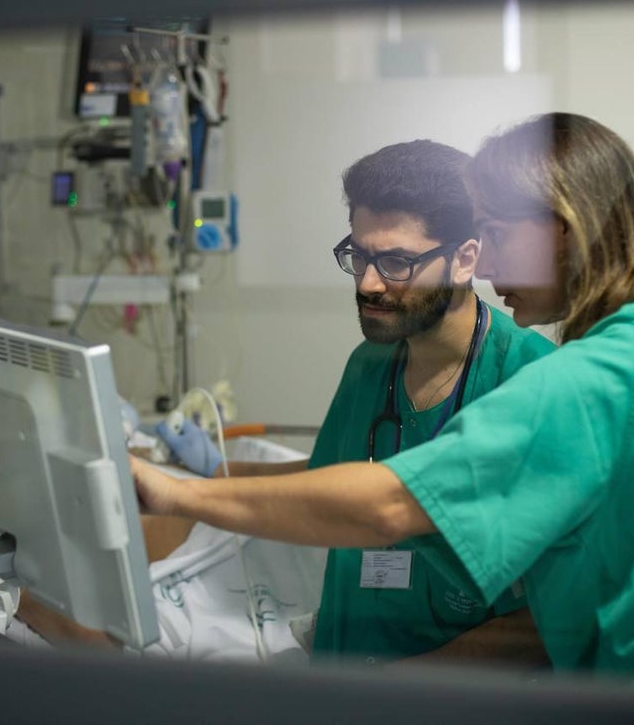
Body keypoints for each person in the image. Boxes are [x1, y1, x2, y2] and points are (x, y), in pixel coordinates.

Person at [132, 113, 634, 693]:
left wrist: (178, 494)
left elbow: (391, 506)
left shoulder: (593, 377)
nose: (484, 266)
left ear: (562, 230)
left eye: (496, 234)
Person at [160, 139, 554, 666]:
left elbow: (547, 621)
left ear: (465, 260)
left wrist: (399, 690)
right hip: (342, 673)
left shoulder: (531, 381)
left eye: (395, 261)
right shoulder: (372, 363)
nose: (368, 283)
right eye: (359, 255)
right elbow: (329, 481)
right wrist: (203, 479)